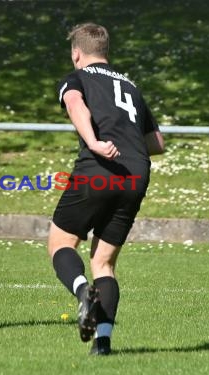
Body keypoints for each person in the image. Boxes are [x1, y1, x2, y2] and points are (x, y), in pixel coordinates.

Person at [48, 23, 165, 355]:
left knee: (60, 242)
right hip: (136, 174)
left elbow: (74, 104)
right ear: (106, 52)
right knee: (104, 262)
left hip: (99, 168)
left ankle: (83, 292)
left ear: (77, 54)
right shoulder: (131, 86)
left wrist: (95, 142)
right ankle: (102, 343)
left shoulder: (78, 78)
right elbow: (157, 142)